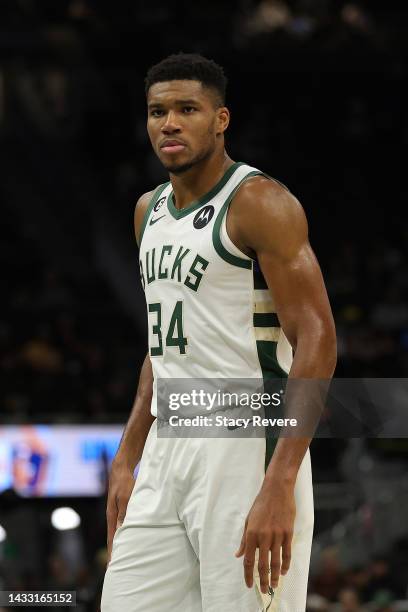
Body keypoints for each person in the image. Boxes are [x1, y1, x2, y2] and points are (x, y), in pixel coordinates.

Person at [101, 52, 337, 612]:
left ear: (221, 119)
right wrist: (126, 457)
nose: (170, 123)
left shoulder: (259, 202)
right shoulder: (146, 211)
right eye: (158, 111)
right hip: (168, 446)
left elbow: (318, 338)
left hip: (245, 442)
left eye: (188, 109)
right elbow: (161, 344)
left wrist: (281, 480)